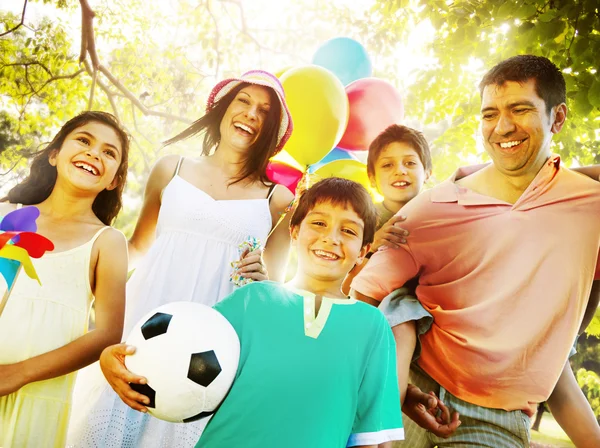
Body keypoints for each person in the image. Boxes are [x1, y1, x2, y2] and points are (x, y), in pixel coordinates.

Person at [352, 55, 600, 447]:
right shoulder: (435, 205)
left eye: (520, 109)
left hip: (496, 417)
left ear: (557, 118)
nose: (502, 127)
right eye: (490, 114)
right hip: (409, 391)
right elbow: (364, 295)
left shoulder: (591, 204)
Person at [67, 70, 295, 447]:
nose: (252, 114)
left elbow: (276, 291)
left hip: (212, 351)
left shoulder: (279, 201)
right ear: (223, 108)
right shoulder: (169, 168)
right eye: (244, 101)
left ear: (270, 130)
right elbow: (137, 247)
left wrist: (266, 276)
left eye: (264, 111)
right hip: (144, 324)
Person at [98, 177, 405, 447]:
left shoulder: (372, 327)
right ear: (295, 231)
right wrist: (115, 360)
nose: (331, 238)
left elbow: (373, 437)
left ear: (364, 250)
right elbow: (175, 350)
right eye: (319, 223)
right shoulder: (251, 300)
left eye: (349, 231)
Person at [0, 111, 130, 448]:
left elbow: (106, 334)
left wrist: (18, 374)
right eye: (84, 141)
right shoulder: (5, 215)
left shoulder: (107, 242)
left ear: (114, 180)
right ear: (55, 154)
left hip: (40, 400)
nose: (93, 154)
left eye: (108, 152)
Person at [342, 124, 431, 295]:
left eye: (410, 163)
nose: (400, 171)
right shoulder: (360, 221)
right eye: (387, 165)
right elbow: (345, 289)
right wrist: (373, 246)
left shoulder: (439, 214)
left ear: (427, 172)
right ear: (372, 178)